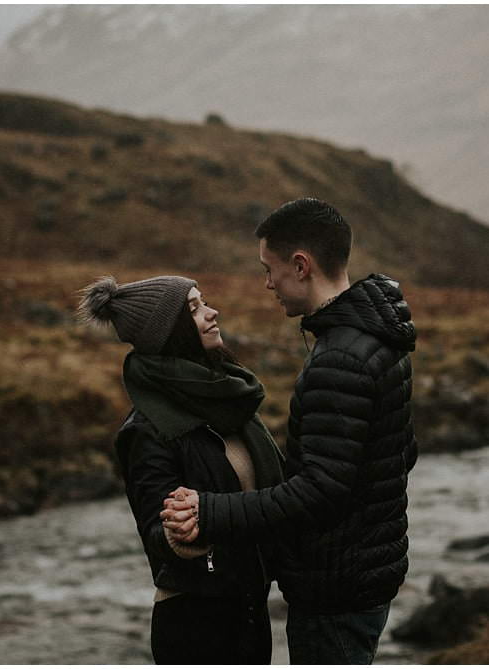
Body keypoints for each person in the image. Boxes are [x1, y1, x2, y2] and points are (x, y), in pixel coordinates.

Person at [161, 198, 417, 664]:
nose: (267, 283)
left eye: (269, 268)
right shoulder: (379, 336)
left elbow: (320, 491)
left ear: (301, 266)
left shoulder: (340, 358)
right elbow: (402, 451)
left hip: (336, 586)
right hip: (367, 573)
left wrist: (209, 511)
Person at [77, 274, 284, 665]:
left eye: (203, 302)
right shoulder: (147, 430)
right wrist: (181, 534)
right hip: (196, 622)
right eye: (194, 308)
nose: (211, 312)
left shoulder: (227, 399)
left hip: (250, 610)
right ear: (170, 332)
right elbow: (155, 529)